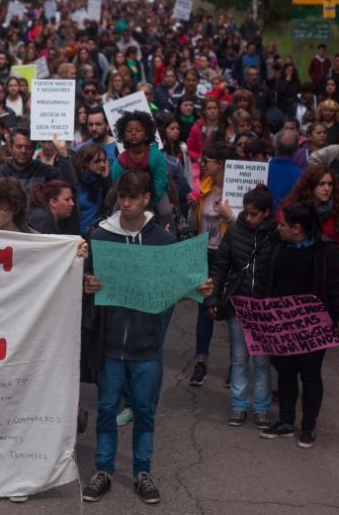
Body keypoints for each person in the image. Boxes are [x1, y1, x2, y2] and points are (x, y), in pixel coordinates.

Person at [82, 170, 213, 505]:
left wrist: (196, 287)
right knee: (108, 408)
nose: (125, 204)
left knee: (144, 411)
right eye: (121, 197)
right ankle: (103, 470)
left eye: (132, 198)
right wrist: (88, 283)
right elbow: (85, 277)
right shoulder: (102, 237)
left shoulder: (162, 241)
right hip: (110, 343)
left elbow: (177, 285)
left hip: (147, 346)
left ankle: (143, 472)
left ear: (145, 200)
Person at [259, 203, 339, 448]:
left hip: (313, 326)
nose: (278, 227)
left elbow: (335, 289)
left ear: (297, 229)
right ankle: (285, 421)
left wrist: (334, 320)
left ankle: (308, 426)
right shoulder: (276, 245)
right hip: (281, 324)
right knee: (285, 371)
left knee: (310, 375)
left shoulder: (326, 252)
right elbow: (265, 279)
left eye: (283, 224)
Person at [204, 186, 276, 429]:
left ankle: (262, 408)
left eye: (254, 213)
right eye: (245, 212)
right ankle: (238, 405)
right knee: (239, 357)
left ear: (266, 213)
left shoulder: (276, 236)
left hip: (264, 310)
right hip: (238, 306)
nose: (248, 217)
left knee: (262, 361)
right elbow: (220, 268)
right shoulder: (234, 233)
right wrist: (213, 298)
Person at [188, 143, 234, 386]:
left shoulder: (237, 190)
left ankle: (234, 365)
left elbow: (244, 225)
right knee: (204, 308)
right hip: (204, 254)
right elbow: (195, 223)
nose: (204, 164)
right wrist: (193, 206)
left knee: (229, 311)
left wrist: (230, 216)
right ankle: (201, 362)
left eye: (210, 160)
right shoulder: (203, 188)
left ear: (222, 164)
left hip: (229, 257)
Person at [281, 165, 339, 242]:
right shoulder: (292, 207)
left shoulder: (335, 209)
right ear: (311, 186)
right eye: (322, 184)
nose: (327, 188)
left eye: (330, 184)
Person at [74, 145, 112, 235]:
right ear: (85, 162)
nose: (102, 165)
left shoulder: (102, 183)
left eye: (104, 161)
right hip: (75, 236)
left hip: (94, 236)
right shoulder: (75, 183)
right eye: (97, 161)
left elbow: (110, 205)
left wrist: (106, 179)